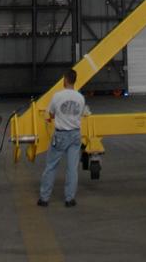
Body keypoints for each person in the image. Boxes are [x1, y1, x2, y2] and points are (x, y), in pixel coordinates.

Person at [37, 68, 87, 208]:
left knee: (51, 166)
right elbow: (81, 114)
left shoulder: (57, 96)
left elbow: (51, 114)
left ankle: (44, 198)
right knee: (72, 169)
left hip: (60, 135)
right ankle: (69, 199)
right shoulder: (80, 97)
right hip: (75, 135)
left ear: (65, 80)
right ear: (75, 80)